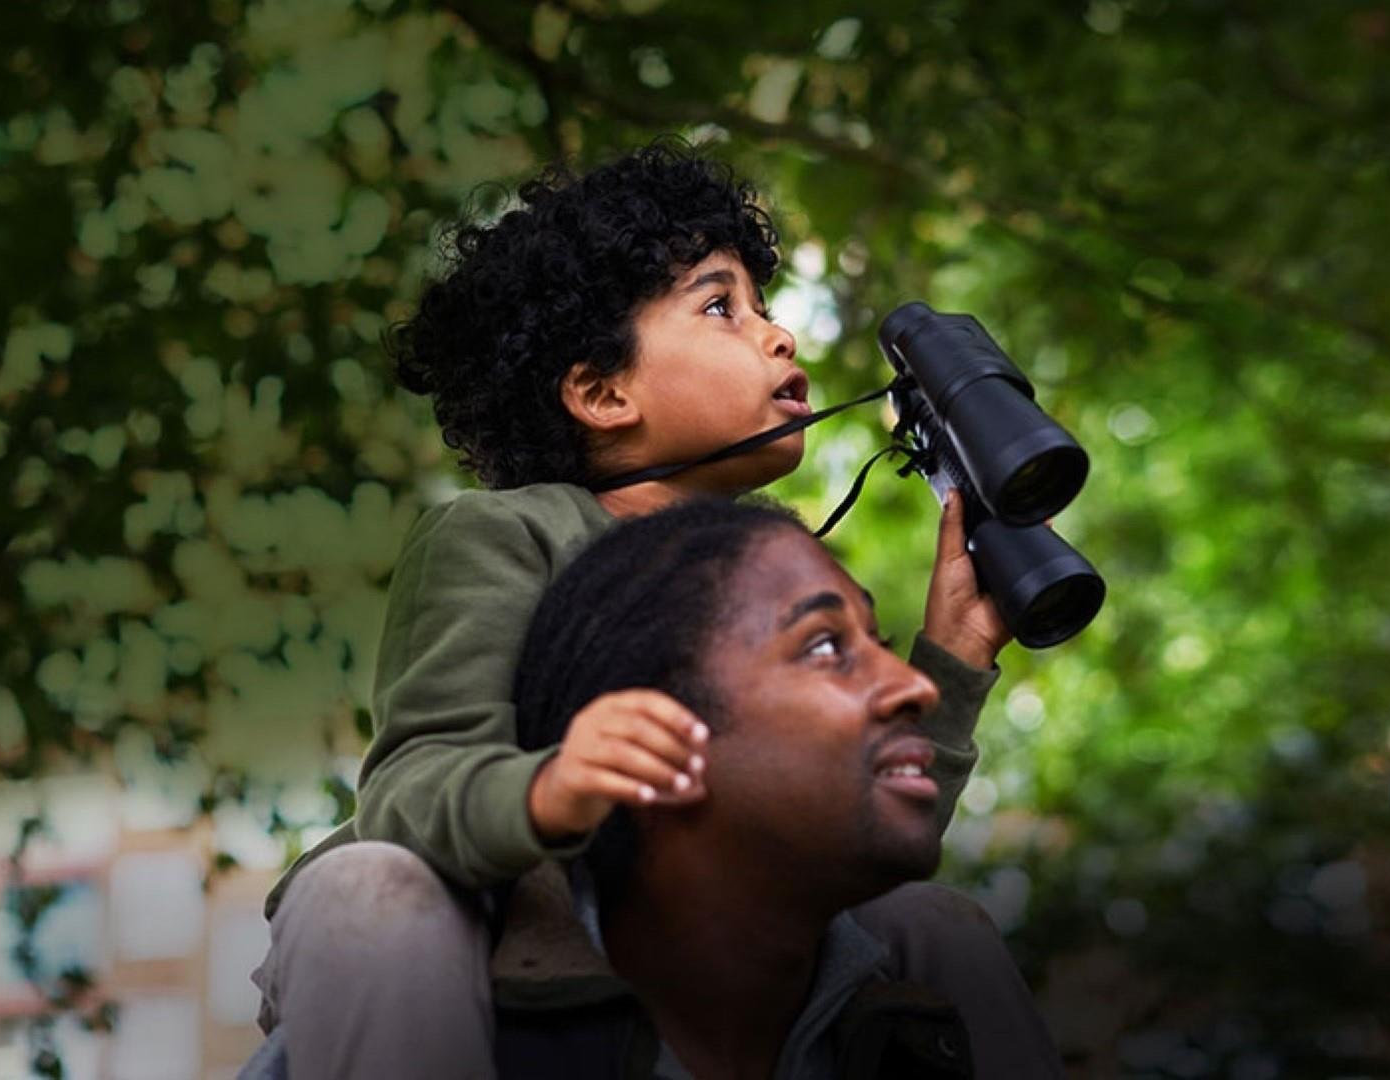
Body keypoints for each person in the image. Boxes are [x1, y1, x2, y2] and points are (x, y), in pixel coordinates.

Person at [247, 140, 1033, 1078]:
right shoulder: (504, 535)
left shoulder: (775, 575)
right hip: (467, 940)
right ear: (601, 392)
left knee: (931, 922)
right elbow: (412, 792)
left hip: (681, 947)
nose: (778, 336)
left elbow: (857, 833)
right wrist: (552, 789)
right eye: (719, 307)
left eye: (766, 307)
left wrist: (952, 657)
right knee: (366, 890)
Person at [499, 498, 1062, 1078]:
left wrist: (962, 651)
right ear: (654, 739)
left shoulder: (912, 1027)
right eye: (824, 647)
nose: (914, 686)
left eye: (881, 645)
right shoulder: (477, 1043)